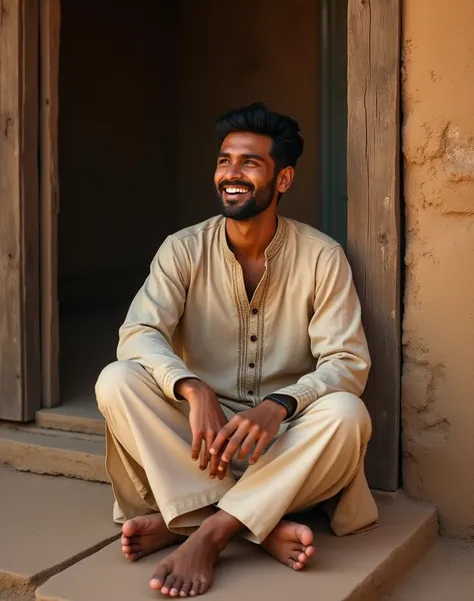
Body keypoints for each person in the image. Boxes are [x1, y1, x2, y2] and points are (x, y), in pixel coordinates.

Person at [95, 102, 379, 598]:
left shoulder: (322, 257)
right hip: (200, 444)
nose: (232, 174)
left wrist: (281, 405)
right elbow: (138, 332)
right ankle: (254, 526)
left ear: (283, 179)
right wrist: (191, 387)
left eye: (250, 162)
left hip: (282, 442)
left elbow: (347, 362)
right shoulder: (183, 249)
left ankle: (203, 529)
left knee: (347, 414)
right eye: (225, 160)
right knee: (116, 379)